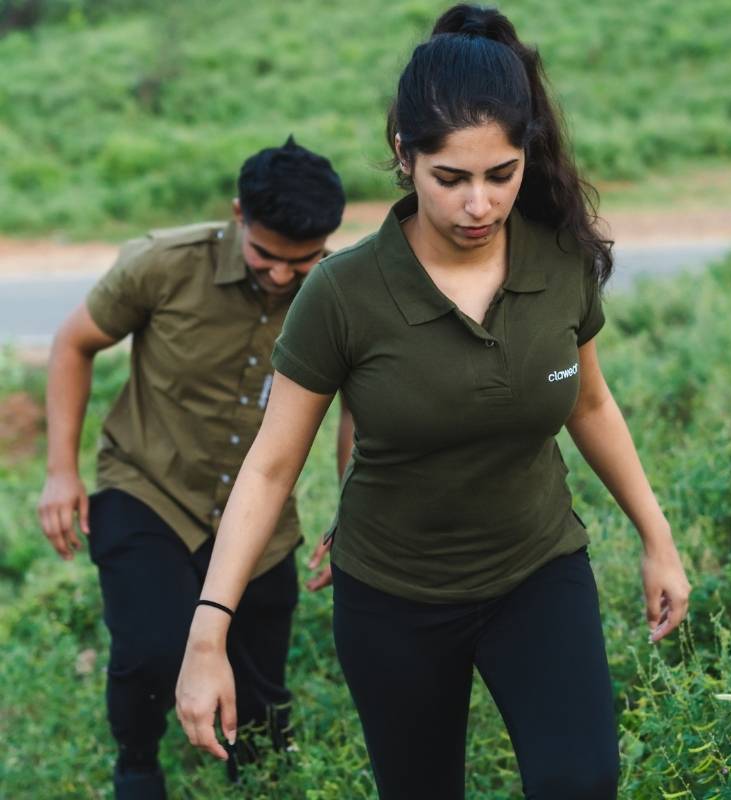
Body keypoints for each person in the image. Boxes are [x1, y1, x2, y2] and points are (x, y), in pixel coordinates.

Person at [175, 7, 692, 799]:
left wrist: (657, 536)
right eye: (451, 178)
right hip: (393, 599)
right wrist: (209, 631)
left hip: (536, 571)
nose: (479, 205)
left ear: (528, 155)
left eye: (502, 174)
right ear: (404, 154)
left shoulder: (560, 259)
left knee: (581, 781)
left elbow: (589, 402)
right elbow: (274, 466)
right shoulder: (342, 292)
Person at [37, 136, 351, 799]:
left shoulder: (340, 290)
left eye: (304, 261)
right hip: (148, 485)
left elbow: (362, 403)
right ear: (239, 213)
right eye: (268, 256)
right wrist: (61, 471)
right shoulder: (164, 263)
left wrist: (353, 502)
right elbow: (73, 343)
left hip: (262, 515)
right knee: (151, 651)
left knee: (263, 696)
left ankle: (256, 773)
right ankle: (138, 765)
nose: (284, 277)